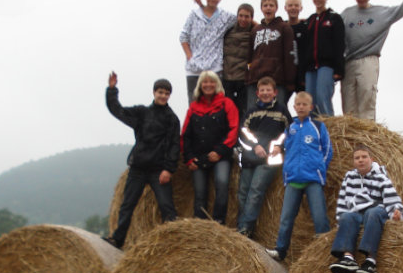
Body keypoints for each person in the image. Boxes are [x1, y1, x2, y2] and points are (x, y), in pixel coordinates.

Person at [104, 71, 180, 249]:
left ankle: (173, 243)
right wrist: (112, 90)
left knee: (167, 207)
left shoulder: (172, 119)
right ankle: (117, 239)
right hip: (138, 168)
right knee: (127, 205)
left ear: (169, 96)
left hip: (158, 170)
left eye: (166, 93)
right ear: (154, 93)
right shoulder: (142, 113)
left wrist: (168, 169)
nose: (163, 95)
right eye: (160, 92)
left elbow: (174, 146)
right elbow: (118, 110)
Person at [341, 0, 403, 120]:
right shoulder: (347, 14)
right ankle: (350, 140)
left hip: (369, 60)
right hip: (349, 61)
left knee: (366, 97)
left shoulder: (381, 13)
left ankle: (366, 138)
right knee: (348, 104)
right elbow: (332, 29)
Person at [266, 92, 332, 262]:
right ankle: (280, 250)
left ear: (311, 107)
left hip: (313, 179)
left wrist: (320, 168)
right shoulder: (290, 128)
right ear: (294, 107)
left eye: (304, 104)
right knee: (286, 218)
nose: (301, 107)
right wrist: (279, 149)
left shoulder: (318, 126)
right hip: (293, 179)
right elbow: (283, 145)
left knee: (319, 217)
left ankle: (324, 251)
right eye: (298, 104)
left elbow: (327, 150)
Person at [329, 145, 403, 273]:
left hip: (378, 211)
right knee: (347, 216)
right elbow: (342, 200)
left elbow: (391, 196)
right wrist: (340, 222)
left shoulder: (380, 177)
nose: (361, 160)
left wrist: (396, 213)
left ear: (371, 159)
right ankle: (348, 258)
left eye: (364, 157)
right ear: (353, 162)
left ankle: (370, 261)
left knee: (372, 213)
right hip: (357, 213)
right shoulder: (349, 177)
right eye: (357, 158)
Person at [181, 70, 239, 225]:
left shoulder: (227, 104)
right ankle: (200, 227)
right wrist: (188, 159)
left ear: (217, 84)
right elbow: (185, 134)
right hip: (198, 157)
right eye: (205, 82)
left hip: (220, 156)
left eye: (211, 82)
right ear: (200, 85)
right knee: (199, 193)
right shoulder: (193, 108)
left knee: (222, 184)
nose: (208, 85)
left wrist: (220, 151)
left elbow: (234, 129)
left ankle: (219, 223)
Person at [237, 76, 291, 237]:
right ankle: (241, 225)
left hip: (270, 158)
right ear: (257, 93)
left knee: (256, 190)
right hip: (250, 157)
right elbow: (243, 132)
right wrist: (255, 146)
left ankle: (245, 228)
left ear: (275, 92)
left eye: (269, 90)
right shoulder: (251, 111)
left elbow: (289, 131)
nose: (266, 93)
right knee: (243, 192)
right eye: (262, 90)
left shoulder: (282, 110)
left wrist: (279, 146)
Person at [180, 0, 236, 103]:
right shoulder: (194, 14)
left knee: (216, 105)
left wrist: (260, 26)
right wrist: (190, 57)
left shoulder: (225, 16)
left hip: (214, 67)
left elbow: (243, 18)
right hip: (194, 68)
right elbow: (183, 37)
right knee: (194, 104)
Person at [246, 0, 296, 110]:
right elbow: (249, 57)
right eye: (265, 5)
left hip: (277, 79)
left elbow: (289, 55)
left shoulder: (284, 28)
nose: (268, 8)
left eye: (271, 5)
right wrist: (248, 74)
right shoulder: (255, 30)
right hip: (255, 80)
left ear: (276, 8)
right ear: (261, 8)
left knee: (278, 113)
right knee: (253, 113)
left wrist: (289, 80)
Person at [302, 0, 345, 117]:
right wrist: (301, 73)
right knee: (310, 103)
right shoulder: (309, 21)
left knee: (322, 98)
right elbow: (304, 47)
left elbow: (339, 44)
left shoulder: (334, 18)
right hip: (310, 68)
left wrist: (339, 69)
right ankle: (313, 134)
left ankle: (330, 132)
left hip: (326, 65)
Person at [222, 3, 258, 117]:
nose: (243, 19)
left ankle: (242, 135)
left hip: (244, 78)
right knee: (228, 112)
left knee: (244, 113)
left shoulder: (255, 32)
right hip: (228, 77)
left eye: (247, 16)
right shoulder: (227, 30)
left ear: (252, 18)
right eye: (241, 15)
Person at [285, 0, 307, 94]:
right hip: (286, 74)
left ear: (301, 8)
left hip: (302, 73)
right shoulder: (282, 27)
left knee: (304, 104)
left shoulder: (306, 26)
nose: (293, 8)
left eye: (296, 5)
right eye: (290, 5)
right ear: (285, 8)